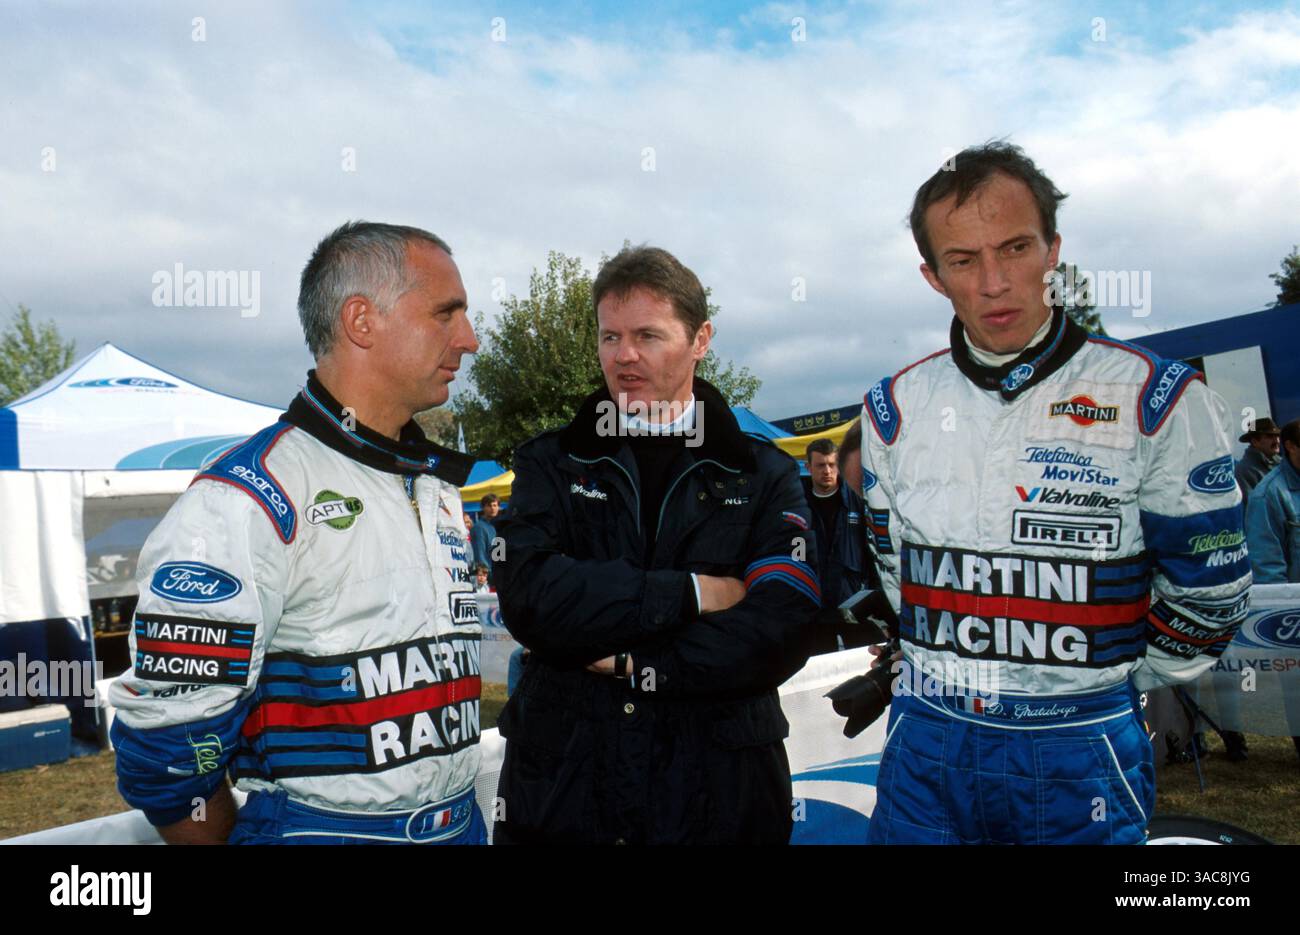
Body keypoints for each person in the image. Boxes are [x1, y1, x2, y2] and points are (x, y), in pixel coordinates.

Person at [860, 143, 1251, 844]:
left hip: (1082, 741)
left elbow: (1211, 588)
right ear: (932, 277)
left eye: (1015, 248)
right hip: (928, 735)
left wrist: (1107, 685)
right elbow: (895, 572)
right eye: (963, 260)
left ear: (1053, 250)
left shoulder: (1155, 396)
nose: (994, 282)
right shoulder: (894, 405)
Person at [109, 221, 487, 845]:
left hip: (461, 822)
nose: (468, 339)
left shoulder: (433, 483)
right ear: (361, 320)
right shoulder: (249, 496)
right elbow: (169, 749)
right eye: (446, 314)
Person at [492, 245, 820, 844]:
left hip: (720, 793)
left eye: (647, 335)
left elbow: (784, 626)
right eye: (610, 337)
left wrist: (641, 664)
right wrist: (693, 593)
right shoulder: (550, 461)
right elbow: (530, 598)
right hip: (566, 790)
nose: (625, 355)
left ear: (700, 340)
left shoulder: (763, 472)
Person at [802, 437, 877, 652]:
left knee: (865, 658)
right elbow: (794, 549)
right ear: (808, 467)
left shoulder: (857, 500)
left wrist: (873, 592)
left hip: (853, 600)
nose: (827, 471)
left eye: (832, 464)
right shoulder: (799, 505)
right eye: (820, 465)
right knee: (820, 664)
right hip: (815, 603)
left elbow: (871, 549)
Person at [1246, 418, 1300, 583]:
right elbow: (1268, 572)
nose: (1274, 440)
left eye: (1275, 435)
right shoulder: (1265, 496)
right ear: (1291, 446)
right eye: (1268, 436)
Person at [1236, 416, 1282, 505]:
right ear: (1255, 441)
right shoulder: (1245, 470)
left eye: (1277, 436)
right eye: (1270, 436)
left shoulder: (1282, 463)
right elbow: (1253, 506)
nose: (1277, 441)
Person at [470, 494, 499, 576]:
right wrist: (487, 574)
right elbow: (480, 555)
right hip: (488, 575)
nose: (492, 508)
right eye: (489, 506)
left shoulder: (499, 526)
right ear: (483, 508)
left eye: (495, 505)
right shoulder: (479, 527)